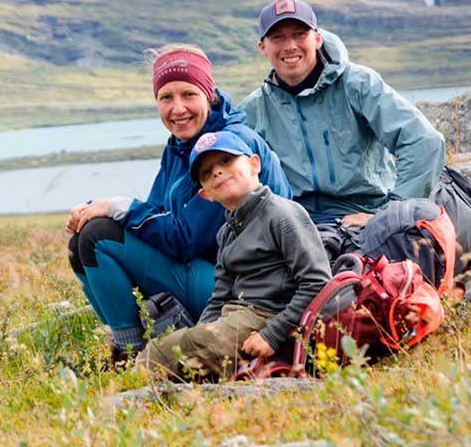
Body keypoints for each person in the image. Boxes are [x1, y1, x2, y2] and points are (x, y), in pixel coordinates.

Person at [66, 44, 292, 366]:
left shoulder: (226, 148)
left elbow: (185, 240)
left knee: (98, 237)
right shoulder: (179, 146)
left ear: (209, 95)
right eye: (166, 98)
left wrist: (119, 208)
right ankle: (131, 341)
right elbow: (158, 211)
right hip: (213, 274)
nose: (177, 108)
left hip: (249, 289)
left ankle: (130, 357)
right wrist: (95, 209)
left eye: (189, 94)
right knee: (84, 239)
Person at [135, 131, 331, 381]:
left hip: (271, 315)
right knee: (183, 343)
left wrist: (272, 334)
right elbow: (219, 296)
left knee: (173, 349)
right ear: (206, 194)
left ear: (254, 165)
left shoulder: (282, 214)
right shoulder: (226, 233)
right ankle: (149, 384)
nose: (217, 171)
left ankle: (136, 384)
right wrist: (203, 329)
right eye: (206, 173)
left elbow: (318, 283)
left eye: (226, 161)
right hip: (234, 318)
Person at [238, 0, 446, 226]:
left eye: (300, 34)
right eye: (278, 37)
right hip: (294, 222)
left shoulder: (359, 85)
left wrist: (390, 214)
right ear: (263, 48)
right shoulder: (253, 109)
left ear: (317, 38)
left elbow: (424, 142)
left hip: (365, 211)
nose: (290, 46)